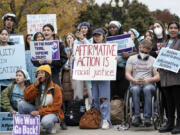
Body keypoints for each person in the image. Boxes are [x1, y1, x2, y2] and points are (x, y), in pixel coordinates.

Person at [18, 65, 64, 134]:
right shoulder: (36, 85)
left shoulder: (55, 88)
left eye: (42, 73)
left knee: (46, 122)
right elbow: (26, 97)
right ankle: (28, 126)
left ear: (47, 75)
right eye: (38, 73)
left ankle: (51, 126)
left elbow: (56, 106)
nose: (39, 75)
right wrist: (34, 86)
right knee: (21, 104)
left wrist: (39, 112)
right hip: (38, 109)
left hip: (51, 113)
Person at [125, 39, 160, 127]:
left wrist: (148, 80)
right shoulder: (131, 58)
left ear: (150, 50)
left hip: (149, 84)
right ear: (139, 47)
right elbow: (127, 73)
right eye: (142, 50)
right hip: (135, 83)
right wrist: (133, 80)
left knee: (147, 89)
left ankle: (147, 117)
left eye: (147, 50)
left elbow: (158, 76)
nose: (144, 52)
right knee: (135, 89)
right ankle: (137, 116)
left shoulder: (153, 60)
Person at [159, 22, 180, 134]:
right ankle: (170, 123)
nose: (173, 30)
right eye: (171, 28)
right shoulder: (164, 43)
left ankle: (179, 124)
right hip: (164, 78)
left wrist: (172, 67)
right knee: (169, 102)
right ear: (167, 30)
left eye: (175, 28)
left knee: (178, 102)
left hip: (176, 78)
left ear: (178, 30)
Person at [91, 28, 111, 129]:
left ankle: (105, 120)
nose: (97, 37)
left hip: (104, 76)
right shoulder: (89, 48)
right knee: (95, 99)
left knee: (104, 98)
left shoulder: (108, 47)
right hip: (93, 77)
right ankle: (96, 118)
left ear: (103, 36)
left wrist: (114, 58)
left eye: (99, 35)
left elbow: (112, 60)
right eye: (95, 35)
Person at [107, 20, 129, 99]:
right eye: (110, 28)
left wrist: (127, 55)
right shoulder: (106, 40)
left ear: (119, 28)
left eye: (114, 27)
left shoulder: (126, 39)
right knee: (111, 92)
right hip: (110, 70)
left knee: (122, 92)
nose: (112, 29)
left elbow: (135, 52)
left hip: (122, 69)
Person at [73, 22, 92, 105]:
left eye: (85, 28)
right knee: (79, 91)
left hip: (90, 68)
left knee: (90, 89)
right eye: (82, 28)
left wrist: (83, 39)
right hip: (80, 68)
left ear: (88, 29)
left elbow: (91, 49)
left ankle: (93, 108)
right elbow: (75, 52)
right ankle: (80, 108)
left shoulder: (91, 39)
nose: (83, 30)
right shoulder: (76, 42)